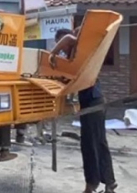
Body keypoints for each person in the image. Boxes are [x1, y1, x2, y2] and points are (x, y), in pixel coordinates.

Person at [49, 28, 117, 193]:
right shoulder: (78, 58)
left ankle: (91, 185)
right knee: (99, 142)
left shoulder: (78, 48)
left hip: (93, 103)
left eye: (61, 46)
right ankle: (109, 183)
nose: (63, 50)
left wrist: (52, 54)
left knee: (90, 145)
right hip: (94, 103)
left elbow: (67, 38)